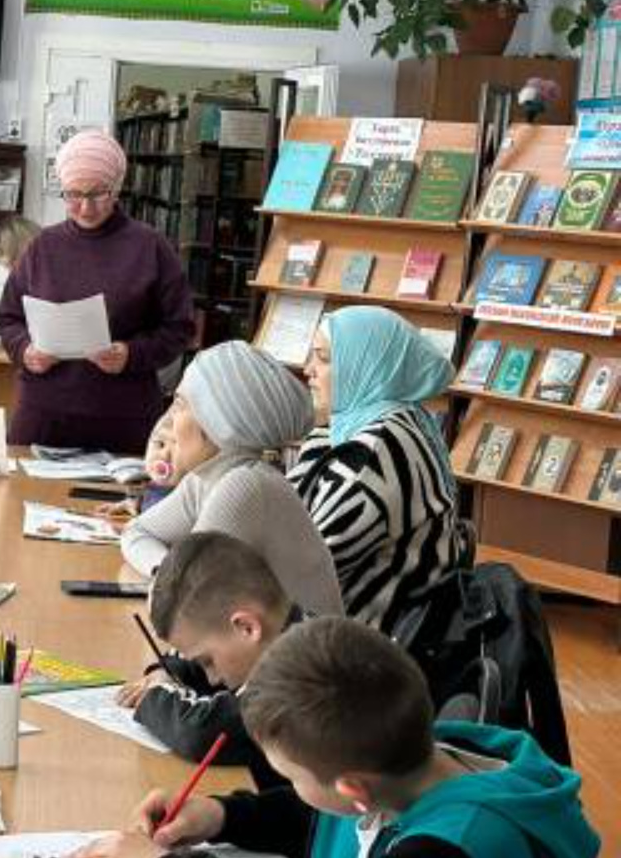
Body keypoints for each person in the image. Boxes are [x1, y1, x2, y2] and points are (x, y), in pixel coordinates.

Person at [78, 617, 601, 858]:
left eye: (289, 776)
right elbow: (325, 817)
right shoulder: (414, 756)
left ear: (353, 787)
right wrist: (221, 815)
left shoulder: (450, 846)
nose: (290, 786)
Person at [0, 129, 194, 452]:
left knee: (123, 487)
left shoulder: (151, 247)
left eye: (98, 193)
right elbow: (8, 317)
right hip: (44, 414)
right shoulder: (43, 246)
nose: (86, 208)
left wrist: (131, 354)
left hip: (124, 417)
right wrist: (25, 350)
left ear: (117, 189)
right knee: (24, 483)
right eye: (73, 194)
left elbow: (180, 328)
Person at [120, 341, 342, 618]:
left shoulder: (244, 484)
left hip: (302, 647)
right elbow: (136, 533)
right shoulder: (209, 477)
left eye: (181, 405)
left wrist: (171, 581)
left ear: (216, 422)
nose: (170, 421)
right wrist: (164, 571)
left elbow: (186, 597)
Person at [291, 306, 463, 633]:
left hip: (361, 641)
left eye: (323, 358)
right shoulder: (379, 421)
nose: (307, 369)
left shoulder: (376, 449)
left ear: (365, 365)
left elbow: (309, 564)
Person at [115, 532, 307, 791]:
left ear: (247, 628)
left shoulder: (298, 676)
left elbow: (200, 733)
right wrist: (166, 671)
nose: (212, 678)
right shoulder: (290, 630)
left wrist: (154, 696)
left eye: (208, 661)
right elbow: (187, 660)